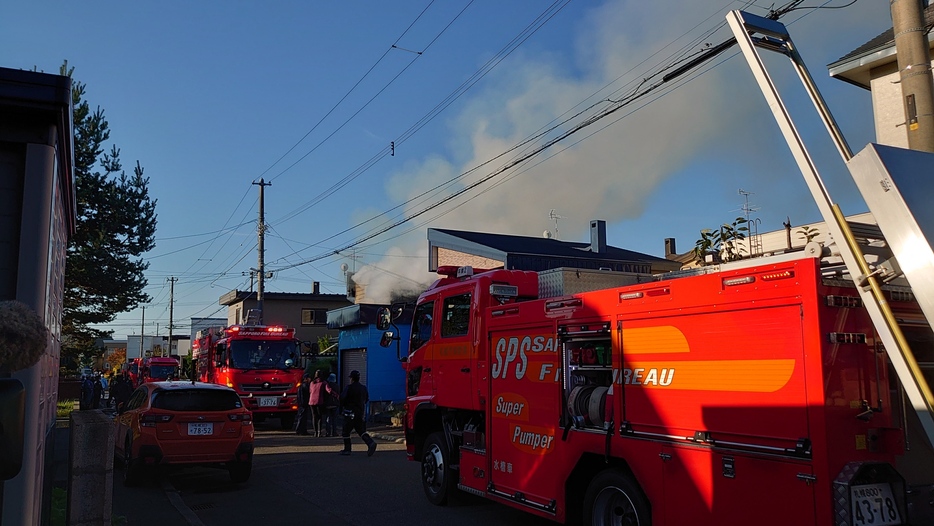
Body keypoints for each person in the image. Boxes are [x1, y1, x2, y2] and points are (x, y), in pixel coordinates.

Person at [339, 370, 376, 456]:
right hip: (360, 412)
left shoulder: (349, 387)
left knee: (346, 431)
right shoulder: (363, 388)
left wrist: (343, 406)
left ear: (351, 378)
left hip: (349, 412)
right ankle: (370, 443)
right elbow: (366, 399)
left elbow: (342, 398)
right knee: (360, 430)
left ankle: (347, 449)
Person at [324, 373, 340, 437]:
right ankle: (334, 432)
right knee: (334, 419)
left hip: (328, 404)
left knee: (328, 418)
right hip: (335, 404)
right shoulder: (337, 386)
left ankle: (328, 432)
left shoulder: (327, 385)